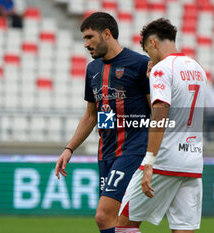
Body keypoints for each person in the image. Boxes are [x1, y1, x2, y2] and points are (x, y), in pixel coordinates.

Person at [55, 12, 151, 233]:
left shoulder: (139, 64)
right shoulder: (93, 70)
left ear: (107, 34)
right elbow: (93, 114)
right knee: (117, 221)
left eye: (90, 37)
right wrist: (69, 149)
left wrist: (155, 152)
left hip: (133, 150)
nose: (86, 44)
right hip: (106, 152)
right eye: (84, 39)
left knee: (103, 216)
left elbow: (157, 111)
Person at [117, 18, 207, 233]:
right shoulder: (198, 69)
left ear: (153, 43)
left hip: (164, 161)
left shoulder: (162, 69)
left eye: (147, 49)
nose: (148, 55)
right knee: (183, 228)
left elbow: (160, 116)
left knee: (123, 226)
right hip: (192, 161)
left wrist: (149, 163)